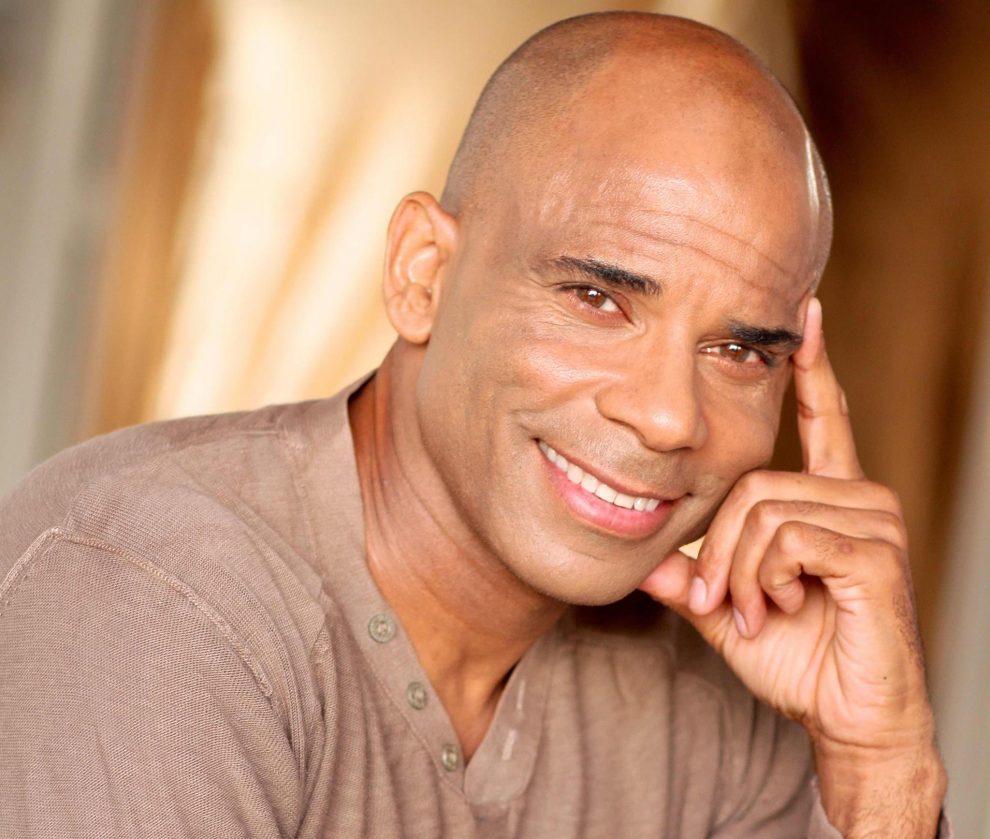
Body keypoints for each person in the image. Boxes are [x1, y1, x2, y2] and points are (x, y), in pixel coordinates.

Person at [0, 11, 948, 838]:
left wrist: (881, 766)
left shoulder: (714, 703)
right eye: (596, 299)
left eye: (738, 351)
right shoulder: (157, 601)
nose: (667, 416)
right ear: (423, 274)